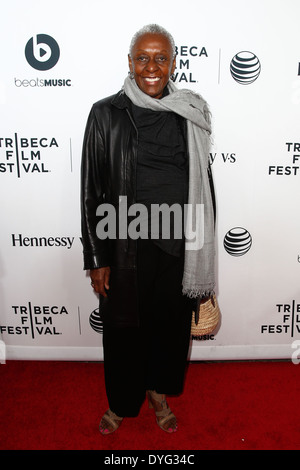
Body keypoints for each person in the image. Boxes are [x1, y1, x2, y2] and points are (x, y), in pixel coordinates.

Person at [81, 24, 216, 435]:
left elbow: (203, 185)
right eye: (143, 58)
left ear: (173, 62)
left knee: (169, 330)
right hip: (124, 246)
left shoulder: (188, 112)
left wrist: (200, 251)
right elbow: (92, 190)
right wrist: (96, 258)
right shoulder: (106, 113)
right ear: (130, 63)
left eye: (161, 57)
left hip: (176, 244)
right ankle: (123, 402)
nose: (152, 66)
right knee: (123, 333)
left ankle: (158, 392)